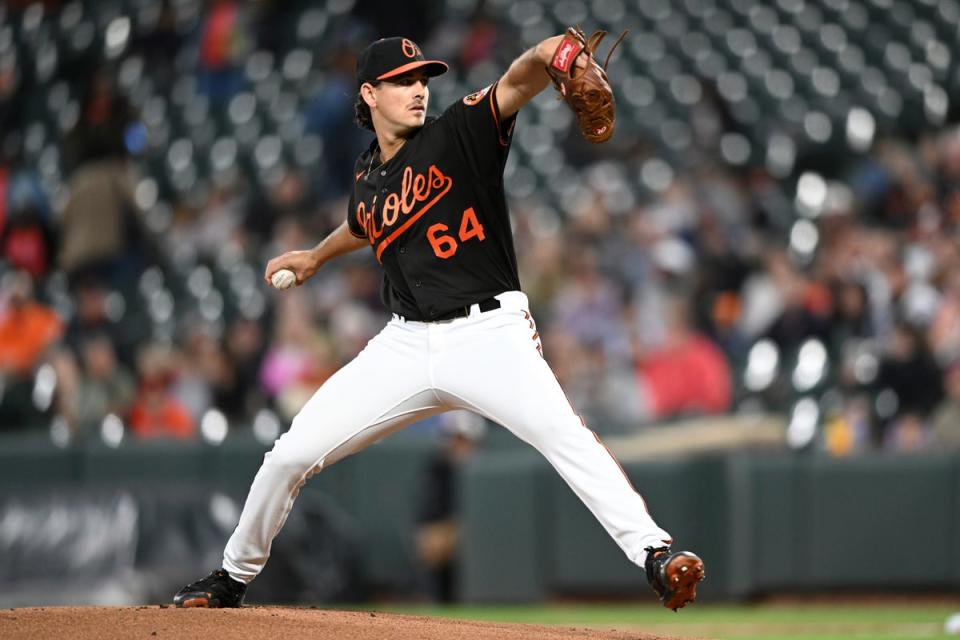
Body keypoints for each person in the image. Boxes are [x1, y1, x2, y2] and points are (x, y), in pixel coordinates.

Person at [174, 33, 704, 611]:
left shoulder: (460, 134)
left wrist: (555, 55)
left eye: (423, 79)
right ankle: (231, 578)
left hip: (489, 334)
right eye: (404, 81)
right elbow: (362, 221)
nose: (418, 90)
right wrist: (315, 256)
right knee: (289, 455)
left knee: (564, 437)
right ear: (370, 94)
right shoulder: (368, 174)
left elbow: (521, 77)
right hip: (404, 343)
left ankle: (655, 553)